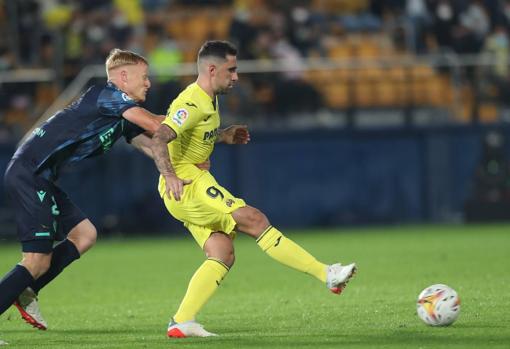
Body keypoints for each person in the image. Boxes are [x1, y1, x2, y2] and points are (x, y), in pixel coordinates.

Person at [151, 40, 357, 338]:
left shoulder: (209, 98)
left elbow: (192, 135)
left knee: (222, 253)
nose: (236, 77)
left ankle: (182, 321)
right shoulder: (191, 102)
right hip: (187, 184)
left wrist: (223, 136)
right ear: (211, 69)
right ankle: (326, 274)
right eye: (231, 70)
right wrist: (169, 175)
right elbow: (159, 138)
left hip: (189, 184)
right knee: (255, 219)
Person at [0, 49, 163, 331]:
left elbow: (151, 144)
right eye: (144, 77)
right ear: (123, 77)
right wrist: (196, 116)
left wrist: (189, 164)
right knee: (36, 260)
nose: (148, 83)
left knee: (84, 235)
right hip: (30, 173)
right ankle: (22, 286)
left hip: (41, 177)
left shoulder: (120, 114)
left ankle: (26, 290)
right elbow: (156, 124)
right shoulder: (108, 96)